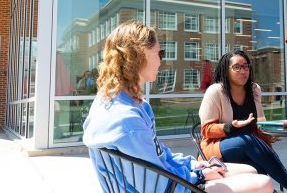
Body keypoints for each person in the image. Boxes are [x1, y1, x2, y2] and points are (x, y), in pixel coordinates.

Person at [83, 22, 272, 193]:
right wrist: (199, 175)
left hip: (171, 180)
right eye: (160, 53)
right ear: (139, 55)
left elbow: (159, 157)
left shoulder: (118, 103)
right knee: (263, 183)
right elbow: (156, 184)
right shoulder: (126, 119)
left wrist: (196, 165)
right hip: (174, 188)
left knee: (250, 169)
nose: (161, 61)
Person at [199, 49, 287, 193]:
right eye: (237, 67)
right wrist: (231, 127)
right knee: (247, 139)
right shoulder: (215, 91)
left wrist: (270, 134)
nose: (243, 71)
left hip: (248, 147)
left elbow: (260, 122)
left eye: (246, 66)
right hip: (217, 148)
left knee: (257, 166)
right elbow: (206, 130)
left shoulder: (254, 89)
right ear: (226, 70)